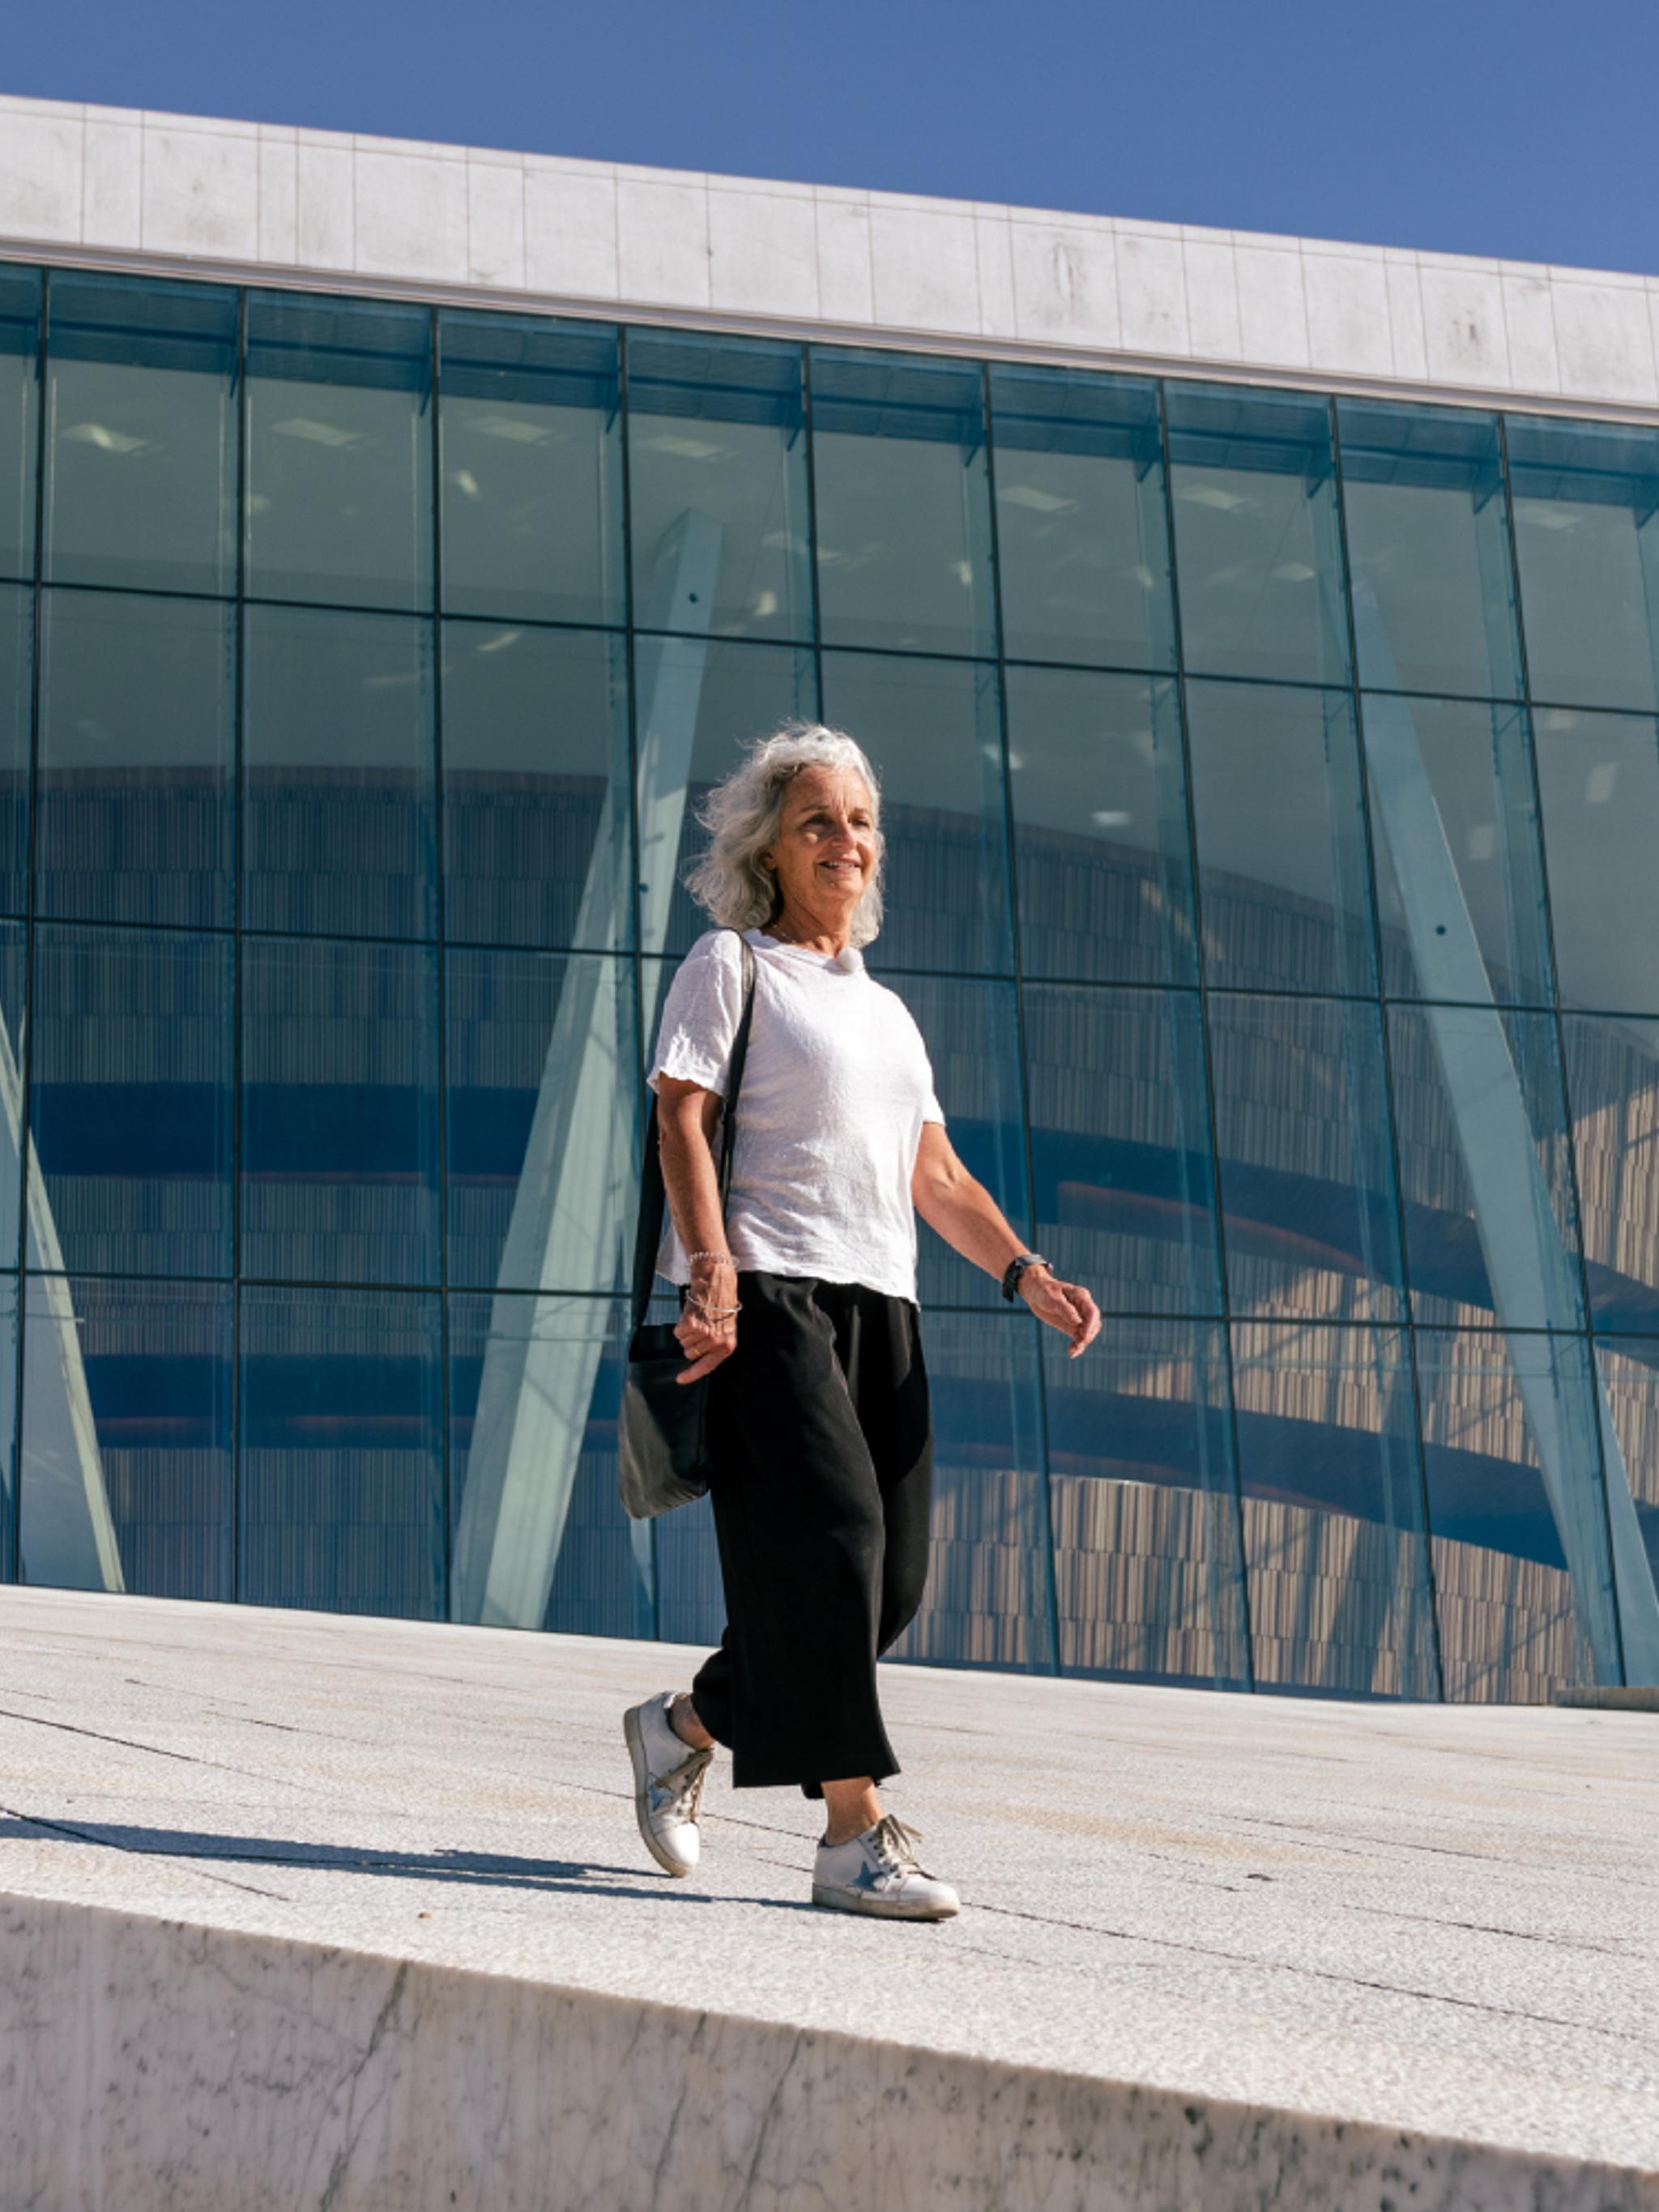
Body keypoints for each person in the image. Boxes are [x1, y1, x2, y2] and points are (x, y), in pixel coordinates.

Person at [624, 724, 1100, 1920]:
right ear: (770, 849)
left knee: (884, 1586)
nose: (847, 839)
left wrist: (1022, 1270)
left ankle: (683, 1725)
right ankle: (852, 1833)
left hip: (883, 1301)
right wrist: (713, 1266)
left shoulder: (886, 1014)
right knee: (832, 1539)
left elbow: (932, 1172)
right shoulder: (731, 965)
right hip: (770, 1294)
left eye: (862, 821)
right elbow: (682, 1119)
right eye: (818, 821)